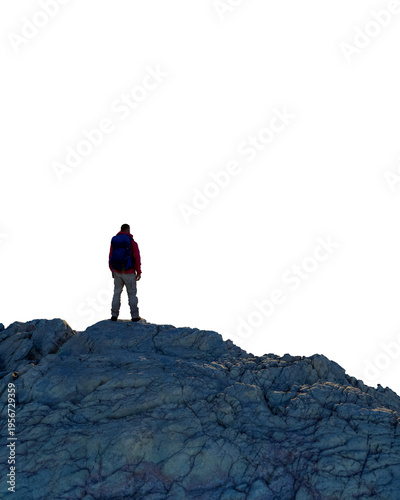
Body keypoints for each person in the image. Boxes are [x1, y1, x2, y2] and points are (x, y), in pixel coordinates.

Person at [109, 224, 142, 321]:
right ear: (128, 230)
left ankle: (114, 315)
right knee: (132, 294)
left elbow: (110, 256)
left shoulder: (114, 241)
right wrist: (138, 272)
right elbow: (137, 258)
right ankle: (135, 316)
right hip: (129, 271)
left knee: (116, 293)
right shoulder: (132, 242)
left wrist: (112, 270)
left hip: (117, 272)